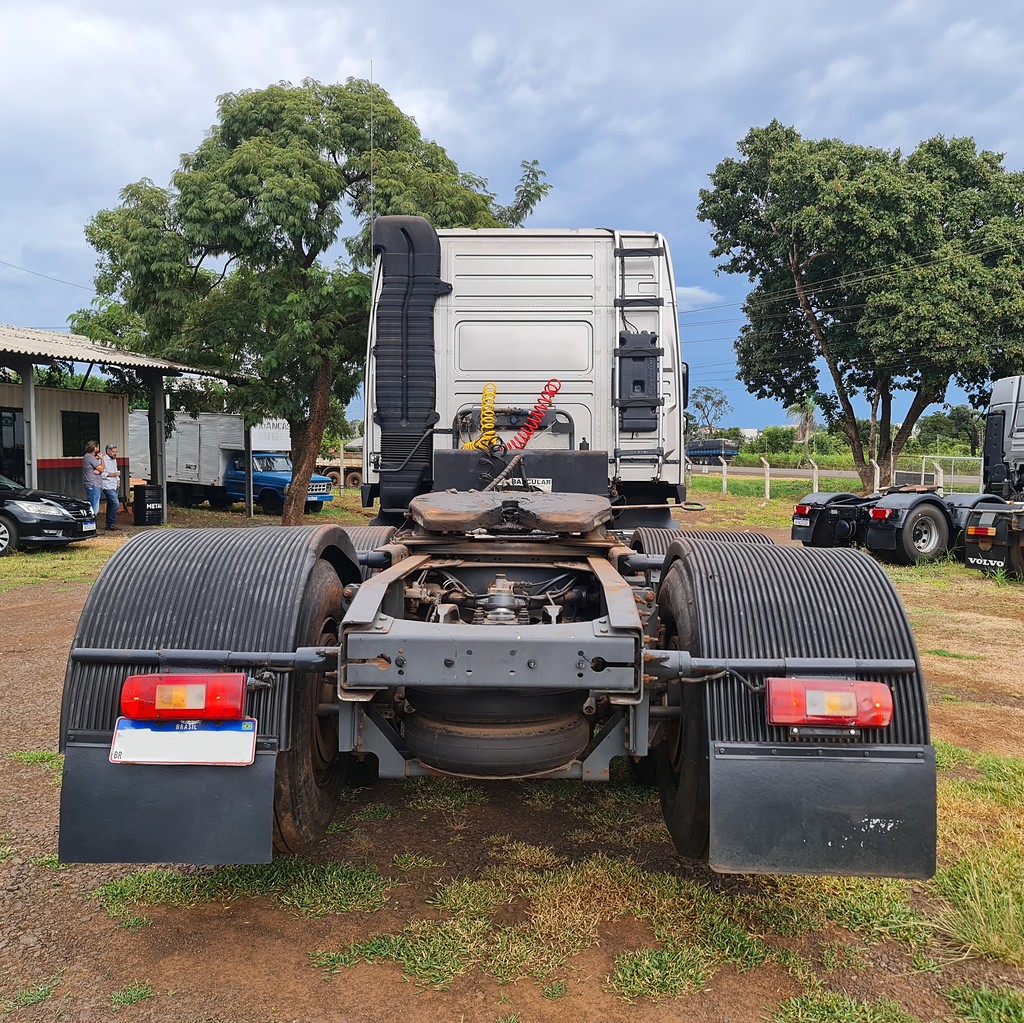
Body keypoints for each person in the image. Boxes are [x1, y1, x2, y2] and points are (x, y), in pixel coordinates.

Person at [100, 443, 121, 530]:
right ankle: (111, 522)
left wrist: (118, 479)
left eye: (115, 451)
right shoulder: (103, 460)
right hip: (107, 485)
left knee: (111, 503)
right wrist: (112, 475)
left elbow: (115, 471)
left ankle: (109, 524)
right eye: (113, 451)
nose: (115, 453)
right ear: (108, 451)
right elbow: (101, 473)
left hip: (114, 484)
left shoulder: (114, 460)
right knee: (115, 503)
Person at [81, 440, 103, 518]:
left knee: (93, 505)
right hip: (93, 484)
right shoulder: (90, 457)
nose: (98, 449)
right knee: (94, 507)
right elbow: (102, 469)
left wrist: (99, 470)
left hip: (91, 484)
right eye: (98, 447)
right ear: (94, 448)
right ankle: (91, 524)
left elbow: (99, 470)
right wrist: (102, 459)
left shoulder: (87, 457)